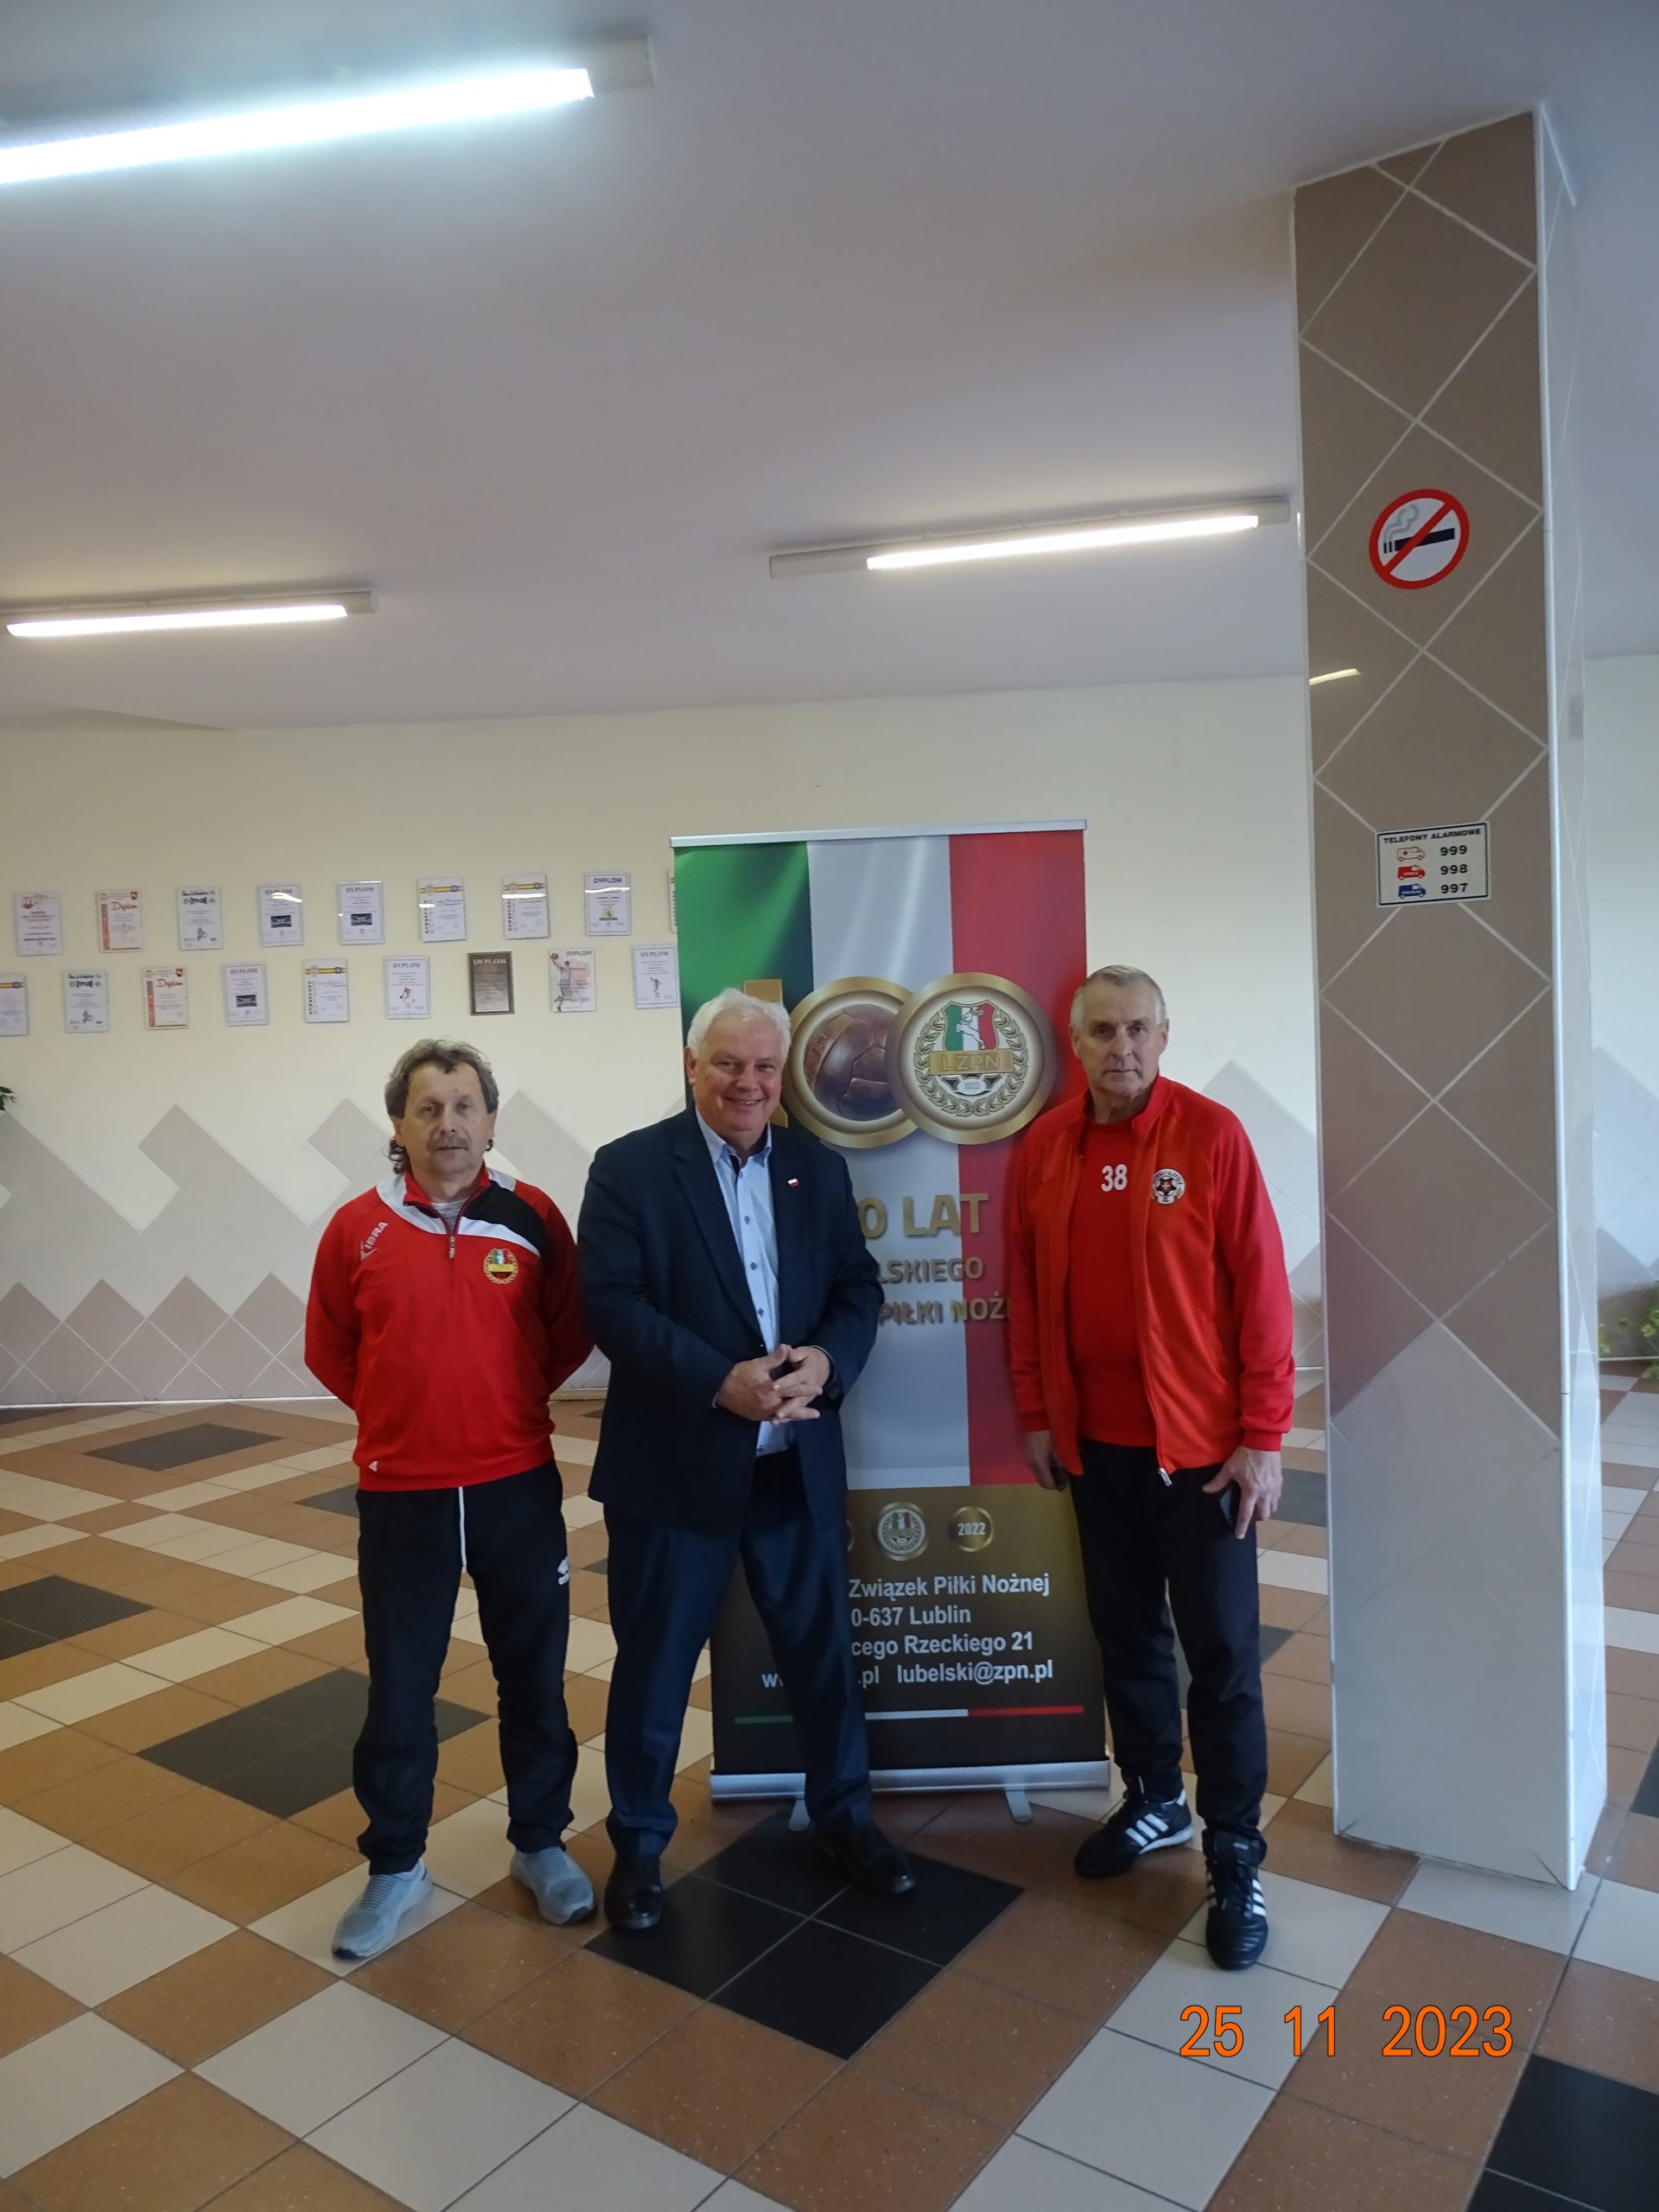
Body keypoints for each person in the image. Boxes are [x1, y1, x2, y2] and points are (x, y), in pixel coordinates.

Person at [578, 987, 908, 1930]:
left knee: (822, 1657)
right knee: (655, 1664)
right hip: (676, 1465)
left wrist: (828, 1362)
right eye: (728, 1063)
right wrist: (716, 1382)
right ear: (693, 1066)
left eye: (765, 1065)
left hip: (793, 1462)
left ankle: (844, 1820)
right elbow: (612, 1303)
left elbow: (857, 1286)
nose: (748, 1082)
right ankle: (640, 1850)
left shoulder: (815, 1167)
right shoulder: (631, 1168)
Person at [1008, 966, 1294, 1970]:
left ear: (1164, 1037)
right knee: (1126, 1634)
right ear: (1074, 1041)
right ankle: (1155, 1799)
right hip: (1096, 1449)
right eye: (1102, 1030)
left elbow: (1262, 1289)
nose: (1120, 1046)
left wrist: (1264, 1434)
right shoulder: (1047, 1146)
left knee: (1220, 1658)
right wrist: (1037, 1413)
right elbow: (1025, 1290)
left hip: (1203, 1457)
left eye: (1137, 1028)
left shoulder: (1211, 1137)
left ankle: (1236, 1850)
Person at [305, 1039, 594, 1959]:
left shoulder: (532, 1216)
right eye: (428, 1109)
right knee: (400, 1690)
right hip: (404, 1497)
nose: (449, 1125)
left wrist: (502, 1407)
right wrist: (404, 1416)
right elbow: (330, 1346)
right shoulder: (357, 1228)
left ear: (491, 1119)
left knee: (533, 1678)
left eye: (465, 1106)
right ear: (399, 1124)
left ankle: (540, 1844)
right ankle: (396, 1865)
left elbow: (567, 1333)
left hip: (516, 1486)